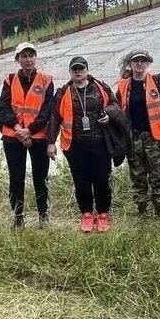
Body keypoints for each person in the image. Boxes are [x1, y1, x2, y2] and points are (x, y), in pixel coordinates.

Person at [47, 56, 118, 233]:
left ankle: (102, 214)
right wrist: (51, 142)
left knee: (102, 179)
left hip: (100, 143)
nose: (78, 72)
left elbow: (115, 105)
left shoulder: (101, 87)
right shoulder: (63, 92)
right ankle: (86, 214)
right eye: (74, 69)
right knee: (81, 181)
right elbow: (54, 118)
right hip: (75, 146)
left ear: (87, 70)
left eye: (81, 68)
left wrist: (109, 114)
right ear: (70, 72)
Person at [0, 42, 55, 229]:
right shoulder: (10, 79)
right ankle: (18, 217)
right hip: (13, 137)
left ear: (35, 58)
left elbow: (47, 111)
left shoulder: (46, 80)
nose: (28, 59)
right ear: (18, 59)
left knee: (40, 177)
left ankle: (43, 216)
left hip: (37, 137)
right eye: (24, 56)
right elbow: (2, 108)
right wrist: (18, 128)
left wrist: (29, 130)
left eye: (31, 55)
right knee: (16, 177)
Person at [114, 49, 160, 217]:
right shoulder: (123, 85)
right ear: (130, 64)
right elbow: (116, 110)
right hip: (133, 137)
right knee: (137, 175)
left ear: (148, 63)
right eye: (136, 61)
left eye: (143, 61)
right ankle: (141, 209)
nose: (139, 64)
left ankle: (159, 209)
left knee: (158, 174)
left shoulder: (156, 82)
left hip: (154, 137)